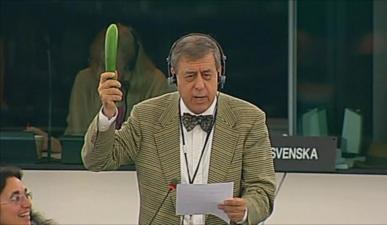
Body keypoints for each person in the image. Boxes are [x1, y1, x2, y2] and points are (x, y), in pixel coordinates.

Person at [82, 33, 276, 225]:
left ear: (220, 73)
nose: (200, 85)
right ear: (174, 75)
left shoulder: (249, 119)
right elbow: (97, 161)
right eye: (190, 76)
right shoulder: (146, 116)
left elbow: (262, 190)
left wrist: (245, 209)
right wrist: (107, 114)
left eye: (207, 75)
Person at [26, 23, 171, 154]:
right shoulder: (84, 80)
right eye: (94, 62)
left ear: (129, 66)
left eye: (104, 64)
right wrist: (52, 144)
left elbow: (154, 146)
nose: (97, 72)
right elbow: (75, 141)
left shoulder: (155, 82)